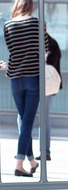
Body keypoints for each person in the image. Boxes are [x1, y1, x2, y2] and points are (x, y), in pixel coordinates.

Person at [2, 0, 49, 177]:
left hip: (15, 78)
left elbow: (11, 49)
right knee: (27, 122)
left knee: (23, 121)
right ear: (31, 6)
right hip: (32, 78)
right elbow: (45, 49)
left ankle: (31, 160)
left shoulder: (8, 24)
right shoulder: (37, 23)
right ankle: (18, 164)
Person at [38, 33, 61, 162]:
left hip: (46, 86)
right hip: (39, 85)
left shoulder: (51, 43)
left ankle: (45, 151)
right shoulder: (38, 42)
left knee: (44, 118)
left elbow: (51, 60)